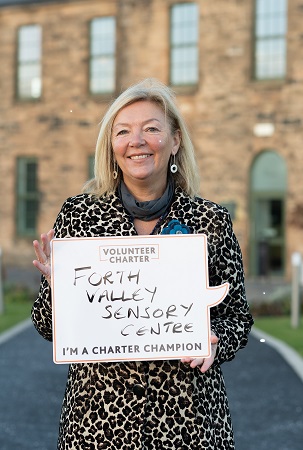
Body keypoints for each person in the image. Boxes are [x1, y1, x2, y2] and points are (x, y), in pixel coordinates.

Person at [32, 78, 254, 450]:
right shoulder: (79, 216)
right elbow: (46, 326)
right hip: (98, 424)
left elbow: (238, 318)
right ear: (112, 146)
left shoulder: (210, 220)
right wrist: (59, 294)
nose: (136, 141)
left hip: (190, 423)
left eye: (151, 129)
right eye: (123, 132)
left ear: (175, 141)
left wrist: (216, 343)